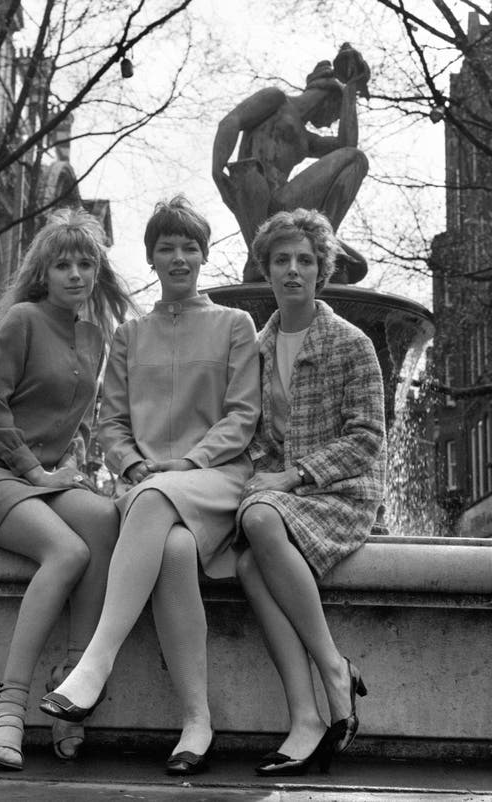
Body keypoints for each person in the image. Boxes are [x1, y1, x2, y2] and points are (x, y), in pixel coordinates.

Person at [40, 195, 260, 775]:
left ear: (205, 255)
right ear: (152, 257)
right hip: (146, 490)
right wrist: (133, 465)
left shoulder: (235, 325)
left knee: (157, 502)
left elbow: (242, 417)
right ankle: (197, 721)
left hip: (214, 479)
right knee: (173, 548)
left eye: (190, 247)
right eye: (167, 248)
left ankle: (95, 662)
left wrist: (184, 467)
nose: (179, 258)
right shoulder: (130, 336)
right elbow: (109, 420)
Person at [0, 209, 133, 770]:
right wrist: (37, 474)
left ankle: (72, 688)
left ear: (97, 272)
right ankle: (8, 707)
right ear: (43, 274)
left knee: (105, 521)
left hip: (36, 475)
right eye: (63, 264)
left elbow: (67, 421)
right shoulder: (22, 319)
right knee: (69, 550)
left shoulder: (96, 337)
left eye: (85, 263)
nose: (75, 274)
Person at [236, 208, 385, 776]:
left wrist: (293, 476)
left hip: (341, 491)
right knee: (250, 567)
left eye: (304, 260)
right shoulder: (255, 347)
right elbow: (250, 434)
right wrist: (259, 472)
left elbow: (368, 437)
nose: (293, 270)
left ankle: (332, 669)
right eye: (281, 260)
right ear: (266, 269)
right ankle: (305, 718)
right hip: (283, 492)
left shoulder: (352, 343)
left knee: (259, 521)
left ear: (322, 269)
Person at [212, 43, 370, 281]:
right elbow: (231, 121)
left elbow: (348, 147)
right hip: (257, 194)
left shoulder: (307, 140)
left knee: (359, 266)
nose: (329, 124)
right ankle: (272, 256)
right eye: (335, 115)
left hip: (282, 206)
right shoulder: (276, 100)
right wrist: (218, 169)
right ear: (329, 99)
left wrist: (350, 91)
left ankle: (323, 246)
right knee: (355, 157)